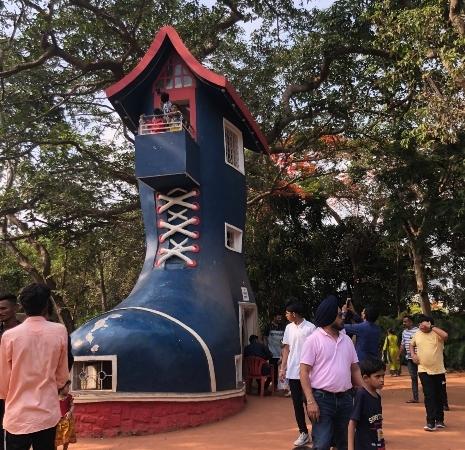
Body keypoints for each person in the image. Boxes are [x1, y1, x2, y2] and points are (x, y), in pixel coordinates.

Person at [0, 283, 70, 450]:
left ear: (22, 306)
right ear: (47, 304)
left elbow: (3, 382)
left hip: (17, 415)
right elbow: (61, 377)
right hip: (47, 413)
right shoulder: (59, 331)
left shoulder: (9, 336)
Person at [300, 295, 363, 450]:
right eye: (339, 314)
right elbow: (304, 372)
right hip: (321, 400)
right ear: (329, 316)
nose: (343, 317)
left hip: (346, 399)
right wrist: (310, 401)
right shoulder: (313, 340)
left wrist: (364, 392)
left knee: (346, 442)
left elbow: (354, 368)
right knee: (322, 444)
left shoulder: (346, 340)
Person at [280, 300, 316, 447]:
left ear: (294, 314)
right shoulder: (289, 328)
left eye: (287, 313)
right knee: (296, 404)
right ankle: (303, 432)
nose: (286, 315)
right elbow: (286, 349)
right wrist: (283, 368)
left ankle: (318, 432)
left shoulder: (310, 328)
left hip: (308, 373)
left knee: (310, 403)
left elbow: (316, 350)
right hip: (293, 373)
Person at [410, 314, 448, 431]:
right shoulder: (417, 334)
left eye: (423, 323)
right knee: (429, 395)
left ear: (429, 324)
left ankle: (440, 420)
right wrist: (413, 354)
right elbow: (411, 344)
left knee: (439, 395)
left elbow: (445, 336)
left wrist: (432, 327)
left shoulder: (437, 334)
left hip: (439, 370)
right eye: (419, 323)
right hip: (423, 370)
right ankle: (430, 422)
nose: (421, 325)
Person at [348, 358, 386, 450]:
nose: (382, 380)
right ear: (365, 378)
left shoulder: (377, 397)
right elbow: (352, 423)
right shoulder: (362, 395)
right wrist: (350, 447)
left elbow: (378, 425)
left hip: (376, 444)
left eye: (383, 376)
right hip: (363, 445)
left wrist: (381, 443)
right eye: (377, 376)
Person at [0, 292, 21, 446]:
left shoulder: (24, 332)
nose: (0, 312)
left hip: (18, 390)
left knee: (18, 432)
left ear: (16, 308)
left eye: (3, 308)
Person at [399, 315, 420, 403]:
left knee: (424, 377)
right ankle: (415, 398)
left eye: (405, 321)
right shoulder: (404, 332)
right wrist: (398, 354)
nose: (404, 323)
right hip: (409, 358)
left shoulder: (418, 331)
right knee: (413, 377)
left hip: (419, 358)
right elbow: (403, 344)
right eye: (403, 321)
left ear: (411, 322)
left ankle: (429, 396)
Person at [264, 312, 286, 389]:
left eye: (280, 318)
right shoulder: (268, 326)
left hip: (281, 353)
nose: (280, 319)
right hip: (271, 352)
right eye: (278, 318)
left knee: (281, 370)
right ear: (274, 317)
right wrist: (267, 349)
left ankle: (278, 386)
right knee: (272, 370)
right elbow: (265, 338)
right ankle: (268, 385)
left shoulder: (283, 326)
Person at [55, 380, 76, 450]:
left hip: (66, 421)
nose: (68, 389)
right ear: (61, 388)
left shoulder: (69, 397)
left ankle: (65, 448)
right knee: (56, 437)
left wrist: (70, 412)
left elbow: (72, 405)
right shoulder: (54, 397)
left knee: (66, 436)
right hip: (57, 421)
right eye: (67, 387)